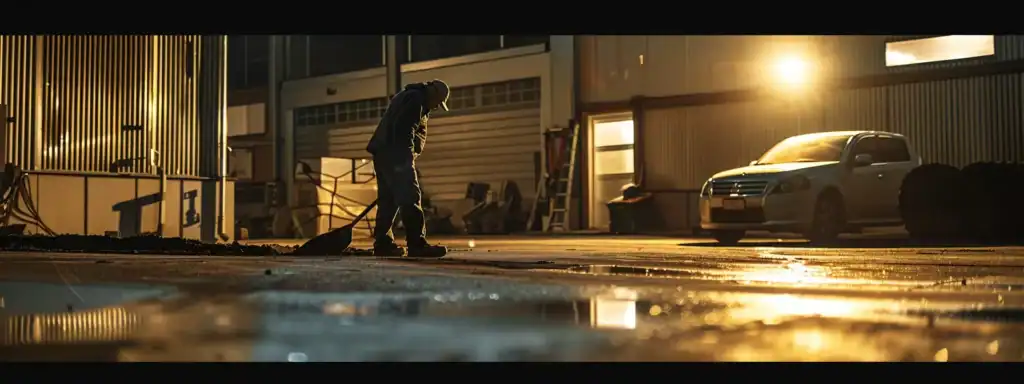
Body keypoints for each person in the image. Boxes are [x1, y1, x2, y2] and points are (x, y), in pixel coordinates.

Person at [365, 79, 450, 258]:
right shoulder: (416, 100)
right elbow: (405, 128)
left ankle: (383, 243)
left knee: (388, 200)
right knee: (410, 196)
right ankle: (417, 244)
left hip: (384, 152)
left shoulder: (408, 96)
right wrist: (405, 158)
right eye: (437, 103)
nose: (435, 107)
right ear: (433, 95)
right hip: (397, 153)